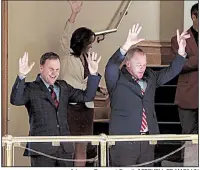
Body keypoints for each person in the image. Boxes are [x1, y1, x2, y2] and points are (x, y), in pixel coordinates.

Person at [105, 24, 190, 167]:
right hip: (124, 142)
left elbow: (170, 72)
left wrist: (181, 52)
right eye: (138, 65)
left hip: (148, 140)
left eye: (144, 65)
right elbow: (111, 66)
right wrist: (126, 46)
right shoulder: (117, 79)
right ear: (127, 64)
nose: (142, 68)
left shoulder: (150, 76)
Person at [10, 51, 101, 167]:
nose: (54, 73)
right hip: (42, 150)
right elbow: (15, 100)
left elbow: (87, 96)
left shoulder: (63, 86)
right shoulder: (31, 88)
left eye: (57, 69)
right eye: (51, 69)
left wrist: (93, 74)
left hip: (65, 149)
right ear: (41, 67)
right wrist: (21, 75)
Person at [59, 1, 107, 167]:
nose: (92, 45)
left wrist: (100, 88)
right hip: (71, 107)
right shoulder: (67, 55)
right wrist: (74, 14)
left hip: (87, 107)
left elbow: (89, 78)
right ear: (81, 42)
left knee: (82, 147)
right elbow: (66, 36)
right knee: (69, 147)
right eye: (90, 42)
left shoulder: (87, 57)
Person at [171, 3, 198, 135]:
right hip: (188, 97)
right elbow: (178, 66)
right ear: (194, 17)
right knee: (189, 137)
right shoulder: (178, 40)